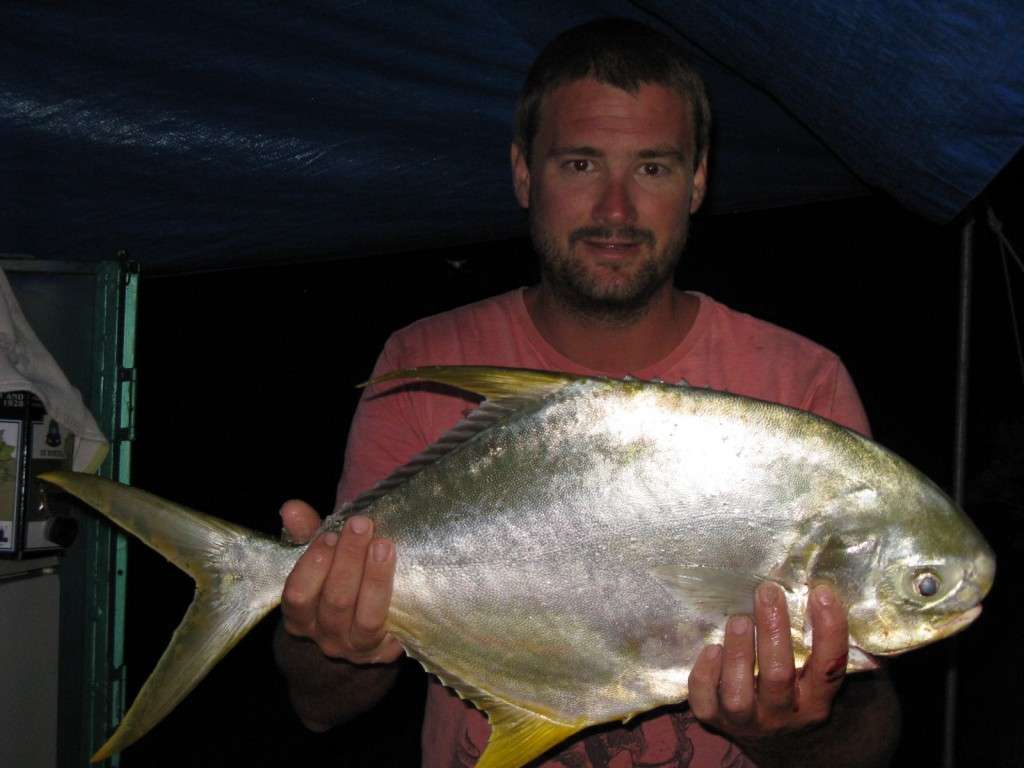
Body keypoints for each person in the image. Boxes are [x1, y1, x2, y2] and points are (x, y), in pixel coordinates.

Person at [273, 18, 900, 768]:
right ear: (523, 174)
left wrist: (794, 727)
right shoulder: (427, 361)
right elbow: (319, 704)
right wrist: (328, 631)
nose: (614, 210)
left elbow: (866, 744)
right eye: (579, 164)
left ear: (698, 180)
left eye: (653, 169)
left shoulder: (801, 383)